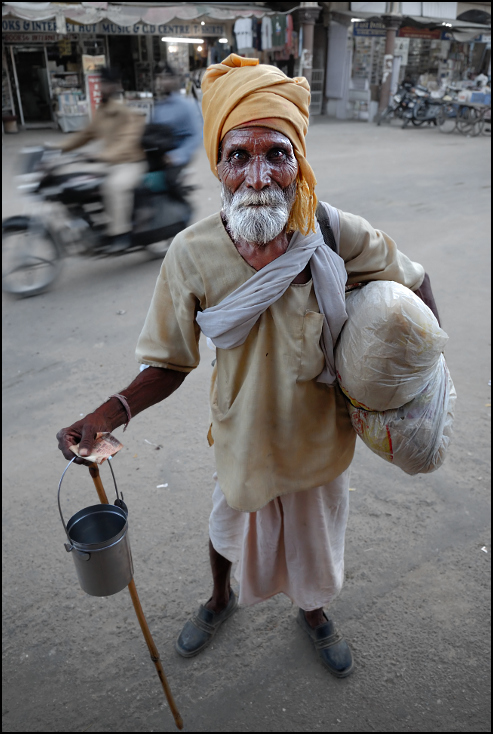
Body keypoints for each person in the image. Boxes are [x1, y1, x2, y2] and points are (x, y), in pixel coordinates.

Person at [56, 55, 439, 678]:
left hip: (319, 434)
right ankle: (218, 598)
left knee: (316, 543)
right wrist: (109, 412)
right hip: (242, 433)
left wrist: (423, 377)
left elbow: (416, 284)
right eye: (240, 157)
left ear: (300, 164)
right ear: (218, 166)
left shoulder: (334, 232)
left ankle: (313, 613)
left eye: (276, 154)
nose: (258, 177)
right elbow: (170, 361)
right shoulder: (191, 254)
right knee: (226, 524)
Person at [54, 66, 147, 253]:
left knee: (114, 186)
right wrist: (57, 148)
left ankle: (121, 234)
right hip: (108, 163)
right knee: (72, 180)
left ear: (115, 86)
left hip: (130, 163)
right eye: (100, 83)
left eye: (106, 83)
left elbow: (127, 142)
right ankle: (87, 223)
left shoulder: (127, 112)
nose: (101, 87)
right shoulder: (102, 112)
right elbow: (84, 135)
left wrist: (99, 156)